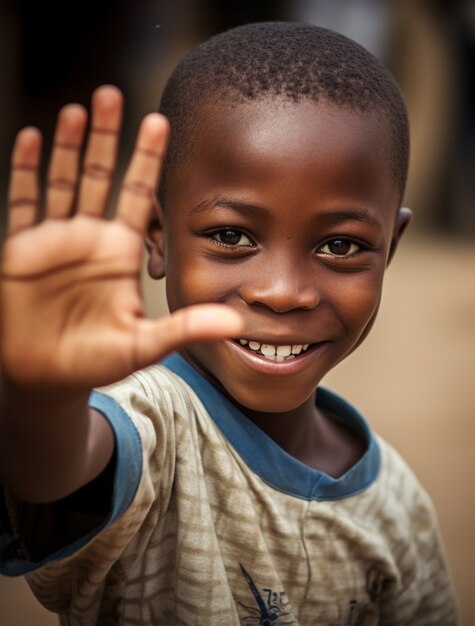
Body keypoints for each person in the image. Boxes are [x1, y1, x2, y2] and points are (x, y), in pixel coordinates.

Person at [0, 21, 459, 625]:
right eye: (230, 236)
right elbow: (51, 471)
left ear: (391, 248)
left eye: (341, 247)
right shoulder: (153, 425)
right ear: (158, 239)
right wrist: (41, 398)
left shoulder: (396, 504)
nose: (283, 293)